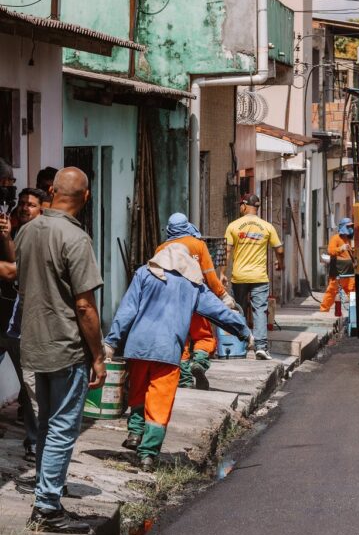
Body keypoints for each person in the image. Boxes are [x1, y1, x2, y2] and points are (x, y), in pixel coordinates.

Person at [104, 244, 250, 470]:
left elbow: (127, 309)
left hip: (138, 347)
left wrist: (111, 342)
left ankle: (134, 433)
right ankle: (148, 455)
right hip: (167, 350)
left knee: (138, 390)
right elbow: (217, 311)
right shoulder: (192, 284)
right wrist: (243, 330)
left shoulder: (144, 273)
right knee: (159, 401)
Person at [17, 168, 105, 533]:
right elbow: (84, 306)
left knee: (46, 424)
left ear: (52, 192)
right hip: (66, 347)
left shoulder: (27, 231)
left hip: (34, 345)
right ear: (85, 197)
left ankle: (45, 495)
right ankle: (48, 509)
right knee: (61, 428)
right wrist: (98, 355)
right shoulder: (75, 237)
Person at [156, 213, 238, 389]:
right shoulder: (198, 245)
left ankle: (184, 379)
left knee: (181, 340)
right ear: (187, 226)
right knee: (205, 336)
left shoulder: (161, 249)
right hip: (197, 300)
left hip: (172, 303)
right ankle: (199, 362)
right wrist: (223, 295)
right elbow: (209, 274)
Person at [0, 188, 48, 463]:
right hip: (8, 321)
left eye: (31, 204)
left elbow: (14, 269)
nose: (24, 208)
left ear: (42, 208)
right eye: (22, 203)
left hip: (26, 324)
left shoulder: (42, 236)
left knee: (32, 389)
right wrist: (7, 236)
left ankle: (34, 441)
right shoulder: (18, 231)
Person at [221, 195, 283, 361]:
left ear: (244, 206)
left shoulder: (233, 226)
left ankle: (239, 344)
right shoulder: (267, 227)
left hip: (239, 277)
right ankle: (261, 347)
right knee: (260, 310)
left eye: (240, 205)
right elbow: (280, 249)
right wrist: (280, 263)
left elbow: (226, 252)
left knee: (237, 310)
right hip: (259, 277)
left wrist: (222, 273)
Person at [320, 218, 356, 313]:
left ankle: (355, 311)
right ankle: (324, 309)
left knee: (352, 291)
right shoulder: (335, 238)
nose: (350, 228)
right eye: (348, 226)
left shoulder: (348, 239)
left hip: (349, 272)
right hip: (338, 272)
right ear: (343, 227)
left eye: (351, 226)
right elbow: (331, 251)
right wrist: (341, 248)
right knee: (332, 290)